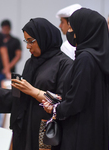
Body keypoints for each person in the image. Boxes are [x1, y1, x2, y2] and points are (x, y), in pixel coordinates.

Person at [0, 18, 72, 150]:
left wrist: (33, 91)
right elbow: (17, 97)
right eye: (26, 41)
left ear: (44, 38)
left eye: (32, 41)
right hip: (24, 130)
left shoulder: (64, 64)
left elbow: (63, 102)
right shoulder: (31, 63)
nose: (28, 46)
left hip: (46, 132)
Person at [42, 8, 109, 150]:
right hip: (92, 129)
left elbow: (77, 99)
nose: (70, 32)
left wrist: (56, 109)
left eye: (73, 27)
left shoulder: (85, 58)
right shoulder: (98, 57)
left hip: (80, 131)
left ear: (85, 29)